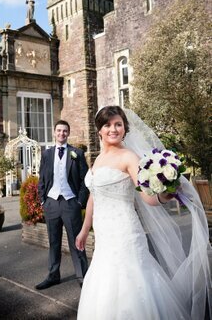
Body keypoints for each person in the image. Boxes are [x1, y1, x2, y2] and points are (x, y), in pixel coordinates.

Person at [76, 106, 212, 319]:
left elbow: (146, 196)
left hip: (125, 233)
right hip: (104, 236)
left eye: (118, 124)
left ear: (125, 128)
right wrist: (85, 229)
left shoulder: (129, 157)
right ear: (99, 131)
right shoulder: (98, 159)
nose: (113, 129)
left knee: (131, 281)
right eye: (107, 125)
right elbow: (94, 195)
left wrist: (164, 195)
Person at [35, 120, 89, 290]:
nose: (61, 134)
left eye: (65, 131)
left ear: (68, 133)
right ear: (54, 132)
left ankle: (83, 277)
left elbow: (85, 181)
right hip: (51, 204)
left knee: (77, 242)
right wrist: (44, 200)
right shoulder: (47, 154)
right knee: (54, 242)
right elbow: (42, 179)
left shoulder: (77, 153)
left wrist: (79, 201)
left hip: (70, 203)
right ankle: (53, 276)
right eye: (59, 130)